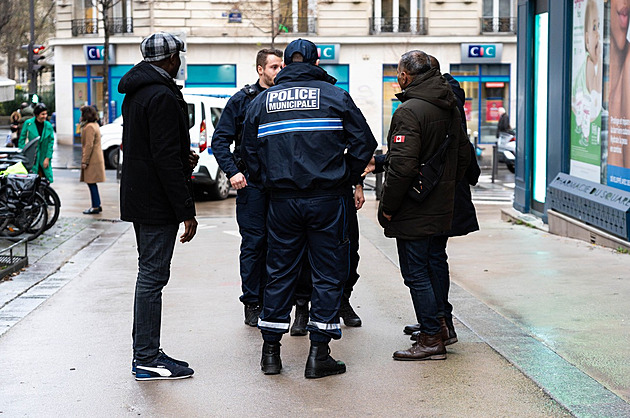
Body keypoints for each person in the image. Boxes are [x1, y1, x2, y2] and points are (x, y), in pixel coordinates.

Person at [241, 38, 377, 378]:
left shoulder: (262, 101)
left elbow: (248, 152)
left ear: (285, 63)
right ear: (317, 62)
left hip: (281, 201)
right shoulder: (335, 96)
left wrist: (268, 179)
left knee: (280, 271)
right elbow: (365, 143)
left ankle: (270, 353)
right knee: (328, 271)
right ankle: (319, 354)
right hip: (328, 199)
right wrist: (345, 174)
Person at [378, 50, 469, 361]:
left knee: (416, 272)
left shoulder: (409, 111)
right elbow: (463, 156)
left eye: (398, 72)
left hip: (414, 206)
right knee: (434, 263)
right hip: (441, 202)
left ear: (405, 76)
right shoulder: (449, 105)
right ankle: (442, 326)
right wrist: (444, 188)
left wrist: (387, 207)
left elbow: (401, 168)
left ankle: (431, 337)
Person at [118, 32, 199, 381]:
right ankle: (147, 357)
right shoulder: (162, 95)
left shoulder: (137, 91)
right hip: (156, 202)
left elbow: (151, 148)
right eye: (177, 56)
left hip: (140, 195)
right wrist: (186, 210)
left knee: (149, 274)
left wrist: (184, 156)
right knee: (152, 276)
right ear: (169, 60)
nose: (180, 61)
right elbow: (164, 158)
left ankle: (147, 351)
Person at [211, 48, 283, 327]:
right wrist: (233, 172)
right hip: (251, 185)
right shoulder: (242, 100)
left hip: (280, 185)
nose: (279, 71)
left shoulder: (284, 97)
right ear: (260, 70)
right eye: (274, 67)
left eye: (281, 66)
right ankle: (252, 302)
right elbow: (220, 141)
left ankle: (274, 301)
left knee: (280, 245)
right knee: (254, 244)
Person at [79, 105, 106, 215]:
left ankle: (95, 206)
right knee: (92, 183)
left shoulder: (89, 127)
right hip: (96, 158)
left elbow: (88, 145)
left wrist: (85, 161)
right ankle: (97, 204)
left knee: (91, 183)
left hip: (92, 159)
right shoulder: (95, 125)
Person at [18, 103, 54, 183]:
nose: (45, 116)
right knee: (32, 180)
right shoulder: (28, 123)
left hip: (44, 156)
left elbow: (50, 143)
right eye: (43, 114)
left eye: (46, 114)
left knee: (46, 180)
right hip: (32, 156)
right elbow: (21, 139)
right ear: (37, 114)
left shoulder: (48, 125)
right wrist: (24, 153)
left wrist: (47, 158)